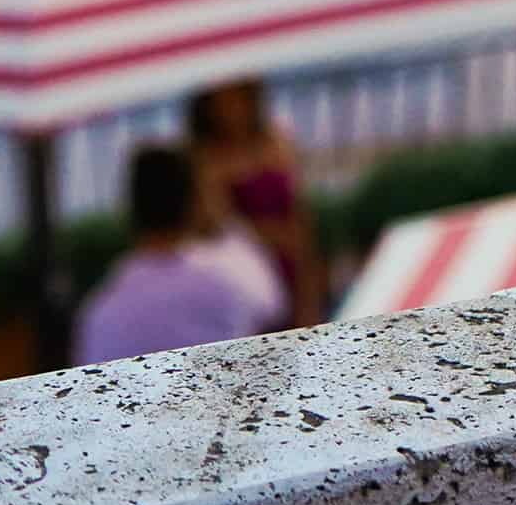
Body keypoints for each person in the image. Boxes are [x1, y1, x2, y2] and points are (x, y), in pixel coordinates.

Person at [72, 145, 285, 366]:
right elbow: (272, 305)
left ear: (131, 210)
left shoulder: (100, 311)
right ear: (193, 204)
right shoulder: (227, 286)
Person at [189, 79, 326, 327]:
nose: (232, 108)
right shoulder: (205, 158)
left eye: (237, 96)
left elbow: (300, 215)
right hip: (246, 274)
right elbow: (221, 227)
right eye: (223, 100)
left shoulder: (277, 140)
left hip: (292, 265)